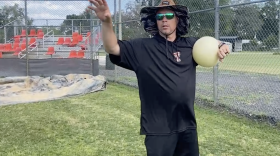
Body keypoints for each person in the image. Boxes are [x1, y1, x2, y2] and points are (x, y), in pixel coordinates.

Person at [88, 0, 230, 155]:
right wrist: (106, 21)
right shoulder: (141, 47)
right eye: (160, 16)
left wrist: (222, 44)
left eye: (169, 15)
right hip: (158, 129)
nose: (164, 19)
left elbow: (210, 43)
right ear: (154, 20)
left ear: (177, 18)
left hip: (187, 125)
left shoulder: (191, 45)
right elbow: (113, 47)